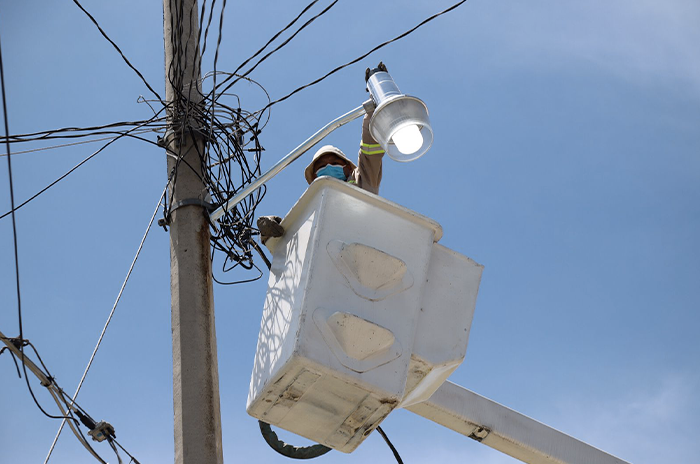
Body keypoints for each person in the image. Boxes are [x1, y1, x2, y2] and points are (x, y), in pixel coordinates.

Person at [257, 110, 385, 244]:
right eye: (322, 166)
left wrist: (372, 114)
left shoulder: (363, 182)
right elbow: (294, 245)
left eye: (335, 163)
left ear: (348, 168)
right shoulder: (312, 207)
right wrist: (273, 230)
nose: (329, 167)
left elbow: (370, 152)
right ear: (314, 177)